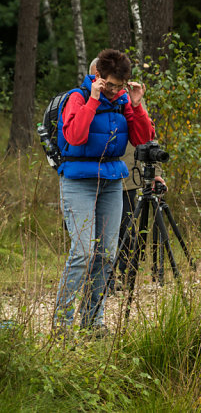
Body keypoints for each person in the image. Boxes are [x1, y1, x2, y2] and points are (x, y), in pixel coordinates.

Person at [54, 49, 155, 336]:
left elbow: (143, 140)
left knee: (106, 255)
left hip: (112, 183)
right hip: (78, 182)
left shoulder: (124, 100)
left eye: (119, 86)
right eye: (109, 85)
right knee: (83, 252)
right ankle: (62, 324)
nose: (114, 91)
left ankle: (92, 322)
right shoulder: (78, 97)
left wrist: (136, 105)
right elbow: (75, 137)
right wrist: (94, 99)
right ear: (97, 77)